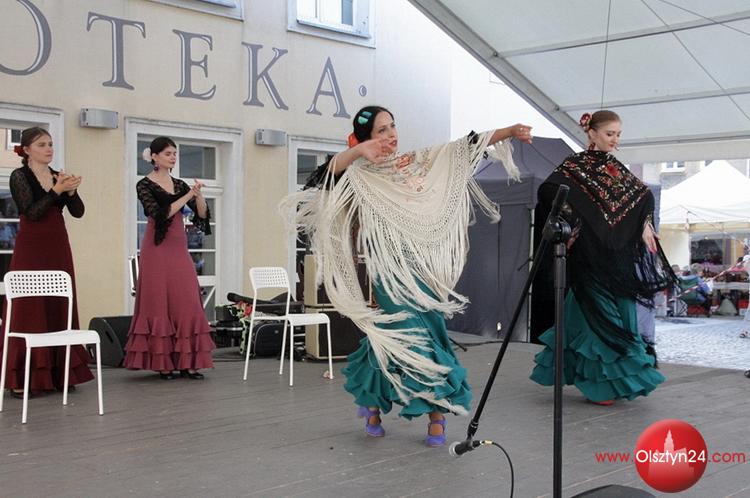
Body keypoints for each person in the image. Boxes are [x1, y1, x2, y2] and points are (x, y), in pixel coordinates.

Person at [285, 105, 533, 446]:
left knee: (424, 334)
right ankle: (435, 416)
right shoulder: (359, 176)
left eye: (392, 127)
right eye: (381, 131)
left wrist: (509, 130)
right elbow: (319, 179)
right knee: (406, 336)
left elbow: (464, 147)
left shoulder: (416, 162)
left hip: (423, 270)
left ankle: (376, 406)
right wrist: (358, 152)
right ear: (366, 138)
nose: (391, 135)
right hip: (389, 272)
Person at [530, 110, 675, 406]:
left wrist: (644, 224)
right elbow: (549, 191)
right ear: (592, 133)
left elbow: (643, 197)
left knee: (613, 316)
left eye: (618, 134)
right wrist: (577, 221)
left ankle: (612, 381)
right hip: (591, 259)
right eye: (610, 134)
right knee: (598, 319)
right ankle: (601, 386)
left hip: (617, 260)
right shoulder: (575, 167)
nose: (615, 140)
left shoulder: (616, 169)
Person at [1, 127, 92, 398]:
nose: (48, 148)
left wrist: (71, 192)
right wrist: (56, 191)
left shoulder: (56, 175)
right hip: (31, 246)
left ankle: (59, 374)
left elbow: (78, 212)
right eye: (42, 144)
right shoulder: (19, 176)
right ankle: (21, 376)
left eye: (50, 144)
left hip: (57, 246)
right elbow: (31, 212)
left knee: (59, 303)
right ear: (27, 149)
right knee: (28, 306)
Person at [123, 137, 215, 379]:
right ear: (153, 156)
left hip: (178, 247)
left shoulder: (179, 184)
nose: (173, 157)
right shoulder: (144, 184)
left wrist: (199, 196)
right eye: (167, 153)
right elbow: (160, 213)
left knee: (187, 299)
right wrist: (187, 196)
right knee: (158, 301)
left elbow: (201, 216)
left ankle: (188, 362)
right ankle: (163, 363)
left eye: (174, 153)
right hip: (156, 248)